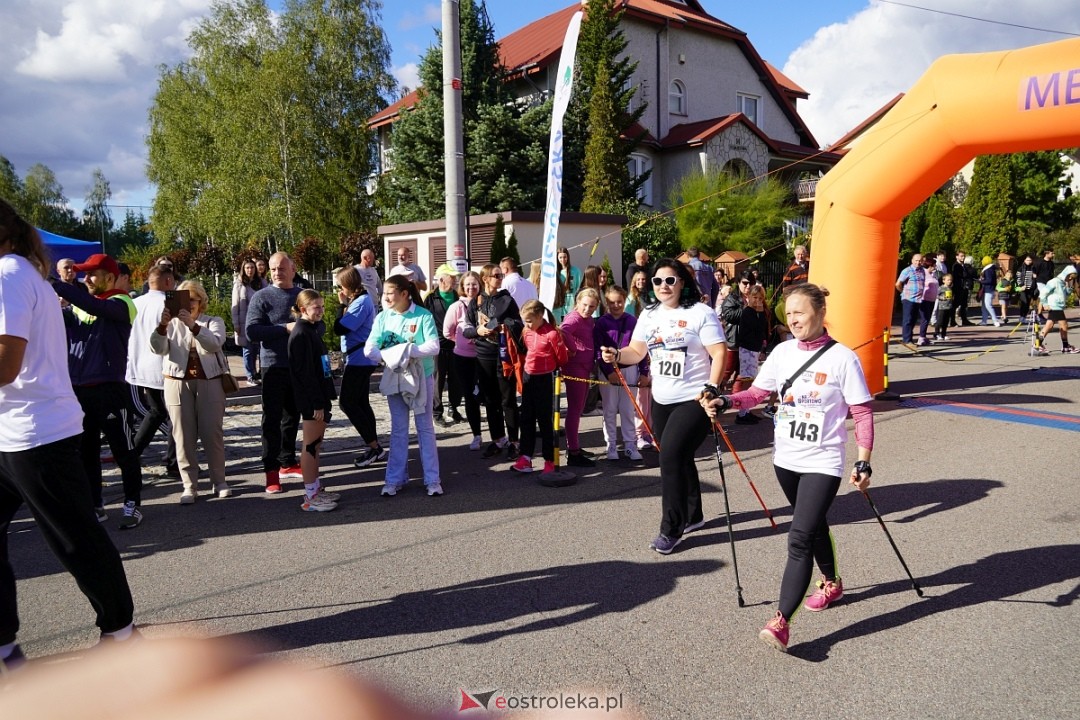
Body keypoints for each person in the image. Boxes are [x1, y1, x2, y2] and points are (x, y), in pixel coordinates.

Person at [0, 199, 137, 670]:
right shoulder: (21, 275)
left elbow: (6, 362)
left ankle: (121, 632)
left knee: (75, 539)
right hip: (12, 430)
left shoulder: (9, 276)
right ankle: (2, 644)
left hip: (35, 433)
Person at [701, 283, 874, 653]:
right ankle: (832, 581)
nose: (793, 319)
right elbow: (758, 395)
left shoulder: (843, 358)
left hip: (824, 460)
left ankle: (781, 621)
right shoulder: (781, 352)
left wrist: (864, 460)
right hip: (786, 460)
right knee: (812, 526)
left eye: (800, 311)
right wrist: (726, 398)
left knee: (798, 537)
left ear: (820, 313)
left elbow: (861, 411)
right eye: (789, 313)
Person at [600, 259, 727, 554]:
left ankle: (671, 529)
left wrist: (712, 387)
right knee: (680, 457)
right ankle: (693, 515)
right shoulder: (649, 314)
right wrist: (616, 354)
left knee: (669, 458)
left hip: (693, 399)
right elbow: (636, 351)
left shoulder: (700, 313)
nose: (663, 286)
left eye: (670, 280)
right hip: (662, 398)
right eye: (657, 282)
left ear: (682, 282)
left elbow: (719, 353)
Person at [51, 253, 144, 528]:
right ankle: (95, 504)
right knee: (86, 452)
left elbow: (93, 306)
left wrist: (54, 283)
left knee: (124, 450)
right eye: (84, 274)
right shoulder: (82, 304)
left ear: (111, 277)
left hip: (111, 390)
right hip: (80, 392)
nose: (86, 279)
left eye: (92, 274)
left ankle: (133, 504)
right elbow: (60, 317)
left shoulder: (122, 302)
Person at [151, 280, 230, 503]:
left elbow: (213, 344)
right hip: (176, 382)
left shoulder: (213, 321)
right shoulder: (170, 325)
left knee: (211, 433)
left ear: (201, 302)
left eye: (192, 300)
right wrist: (162, 326)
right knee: (182, 436)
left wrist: (192, 325)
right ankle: (189, 486)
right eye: (183, 301)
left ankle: (219, 481)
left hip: (209, 382)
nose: (188, 305)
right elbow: (157, 348)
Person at [364, 275, 442, 496]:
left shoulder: (423, 315)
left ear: (404, 294)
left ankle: (432, 479)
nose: (385, 297)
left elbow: (434, 347)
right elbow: (369, 349)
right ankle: (394, 479)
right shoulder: (383, 317)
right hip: (395, 378)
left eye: (390, 293)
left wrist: (406, 351)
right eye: (384, 293)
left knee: (425, 428)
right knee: (399, 430)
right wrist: (393, 356)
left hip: (421, 378)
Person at [246, 252, 305, 494]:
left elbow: (320, 323)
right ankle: (271, 472)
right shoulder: (261, 297)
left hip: (299, 365)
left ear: (292, 269)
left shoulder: (301, 294)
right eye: (272, 269)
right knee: (271, 420)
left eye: (281, 268)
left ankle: (287, 462)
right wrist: (284, 329)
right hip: (273, 366)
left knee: (292, 417)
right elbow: (252, 331)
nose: (276, 273)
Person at [463, 264, 522, 461]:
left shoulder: (506, 299)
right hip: (483, 356)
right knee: (490, 401)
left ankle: (514, 441)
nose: (500, 278)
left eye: (501, 274)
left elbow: (519, 324)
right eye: (496, 275)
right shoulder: (476, 301)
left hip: (503, 355)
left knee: (508, 400)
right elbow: (466, 329)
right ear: (485, 278)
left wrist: (498, 325)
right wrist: (478, 331)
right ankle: (498, 439)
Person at [288, 289, 339, 511]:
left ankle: (316, 488)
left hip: (320, 396)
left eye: (322, 306)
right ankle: (310, 495)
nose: (320, 310)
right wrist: (317, 402)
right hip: (311, 400)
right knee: (310, 445)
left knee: (316, 446)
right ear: (303, 309)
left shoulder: (311, 330)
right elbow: (304, 374)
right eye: (316, 307)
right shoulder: (300, 333)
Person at [127, 264, 178, 477]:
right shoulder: (171, 301)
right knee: (176, 415)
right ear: (168, 281)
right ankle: (174, 462)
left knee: (157, 413)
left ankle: (133, 453)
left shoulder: (134, 302)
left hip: (140, 366)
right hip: (165, 365)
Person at [334, 267, 386, 469]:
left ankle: (374, 447)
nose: (340, 289)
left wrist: (341, 306)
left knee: (347, 403)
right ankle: (373, 445)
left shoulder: (361, 302)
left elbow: (340, 327)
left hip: (360, 360)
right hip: (359, 358)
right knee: (361, 402)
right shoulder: (361, 300)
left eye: (341, 285)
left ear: (347, 285)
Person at [511, 300, 568, 475]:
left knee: (545, 420)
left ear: (539, 316)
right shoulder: (525, 330)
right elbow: (527, 350)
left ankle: (549, 460)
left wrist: (555, 369)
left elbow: (562, 357)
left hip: (546, 378)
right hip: (529, 377)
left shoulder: (552, 333)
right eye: (524, 321)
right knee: (526, 418)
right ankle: (525, 458)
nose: (527, 324)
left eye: (529, 320)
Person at [594, 286, 646, 461]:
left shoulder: (633, 321)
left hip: (629, 368)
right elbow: (598, 351)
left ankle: (630, 444)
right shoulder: (601, 323)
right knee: (609, 409)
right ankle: (611, 445)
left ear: (625, 301)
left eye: (619, 302)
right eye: (611, 302)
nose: (616, 305)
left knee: (628, 409)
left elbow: (641, 349)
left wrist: (643, 372)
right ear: (606, 303)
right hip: (608, 372)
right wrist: (609, 372)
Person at [444, 271, 485, 451]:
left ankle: (500, 435)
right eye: (467, 284)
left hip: (484, 357)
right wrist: (462, 341)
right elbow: (447, 332)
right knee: (469, 397)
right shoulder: (456, 307)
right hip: (463, 358)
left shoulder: (485, 303)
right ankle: (477, 434)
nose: (471, 288)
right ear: (462, 286)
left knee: (487, 395)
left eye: (474, 284)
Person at [561, 288, 600, 467]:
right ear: (578, 303)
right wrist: (574, 349)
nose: (587, 309)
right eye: (585, 305)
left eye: (591, 307)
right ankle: (573, 452)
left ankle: (574, 445)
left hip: (585, 367)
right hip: (575, 368)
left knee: (579, 408)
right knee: (575, 409)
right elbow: (563, 331)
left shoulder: (588, 319)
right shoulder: (575, 317)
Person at [423, 264, 463, 427]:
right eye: (451, 278)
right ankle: (437, 412)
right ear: (441, 280)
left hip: (456, 344)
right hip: (438, 344)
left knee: (456, 378)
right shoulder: (431, 298)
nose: (454, 281)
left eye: (454, 278)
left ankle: (454, 408)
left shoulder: (458, 296)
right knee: (437, 380)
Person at [730, 283, 769, 424]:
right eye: (754, 297)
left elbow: (763, 329)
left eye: (760, 298)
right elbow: (752, 330)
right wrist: (758, 313)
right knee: (747, 379)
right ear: (748, 297)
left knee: (751, 379)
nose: (757, 300)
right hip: (747, 349)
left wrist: (762, 347)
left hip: (755, 348)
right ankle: (742, 413)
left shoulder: (760, 312)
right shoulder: (747, 312)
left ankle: (746, 409)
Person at [232, 258, 266, 385]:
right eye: (247, 268)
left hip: (260, 320)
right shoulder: (239, 284)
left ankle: (259, 373)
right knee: (248, 349)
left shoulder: (261, 282)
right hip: (244, 321)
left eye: (252, 267)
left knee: (259, 348)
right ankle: (250, 375)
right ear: (243, 269)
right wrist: (236, 323)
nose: (250, 270)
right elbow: (235, 304)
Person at [1032, 264, 1079, 355]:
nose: (1070, 278)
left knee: (1050, 325)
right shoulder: (1054, 281)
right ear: (1065, 274)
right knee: (1063, 325)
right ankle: (1065, 346)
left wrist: (1069, 287)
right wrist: (1045, 304)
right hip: (1054, 306)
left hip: (1058, 306)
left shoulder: (1062, 283)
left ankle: (1038, 344)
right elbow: (1043, 293)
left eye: (1072, 278)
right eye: (1069, 276)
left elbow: (1066, 294)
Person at [895, 253, 926, 344]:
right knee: (908, 319)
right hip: (908, 299)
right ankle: (907, 340)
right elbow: (898, 284)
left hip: (918, 299)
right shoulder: (907, 270)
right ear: (912, 261)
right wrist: (903, 292)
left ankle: (910, 338)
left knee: (913, 320)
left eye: (920, 260)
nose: (918, 262)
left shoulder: (922, 271)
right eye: (916, 260)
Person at [554, 247, 581, 323]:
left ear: (568, 257)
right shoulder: (555, 272)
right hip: (558, 306)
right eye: (560, 257)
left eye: (565, 257)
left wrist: (577, 303)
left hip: (572, 304)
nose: (563, 259)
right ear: (557, 258)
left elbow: (579, 288)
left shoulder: (576, 271)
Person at [950, 251, 975, 326]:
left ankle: (964, 320)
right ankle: (952, 321)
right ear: (957, 256)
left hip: (964, 287)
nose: (963, 257)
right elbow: (958, 276)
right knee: (955, 304)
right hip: (958, 287)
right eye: (961, 256)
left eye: (964, 256)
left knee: (964, 304)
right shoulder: (956, 265)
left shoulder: (963, 265)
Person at [978, 256, 1001, 326]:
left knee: (988, 305)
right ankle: (984, 321)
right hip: (988, 289)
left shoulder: (988, 270)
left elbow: (989, 280)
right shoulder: (991, 269)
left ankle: (995, 320)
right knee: (984, 306)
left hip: (988, 289)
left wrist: (981, 281)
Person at [1015, 254, 1038, 322]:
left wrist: (1035, 277)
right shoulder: (1021, 268)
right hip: (1023, 288)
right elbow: (1017, 277)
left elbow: (1036, 277)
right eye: (1027, 260)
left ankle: (1024, 317)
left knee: (1028, 303)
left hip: (1030, 288)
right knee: (1024, 302)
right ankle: (1021, 316)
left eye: (1030, 260)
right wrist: (1021, 285)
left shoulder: (1033, 268)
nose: (1029, 261)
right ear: (1024, 260)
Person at [1032, 249, 1055, 317]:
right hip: (1040, 281)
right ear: (1047, 254)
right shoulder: (1040, 262)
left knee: (1047, 296)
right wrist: (1034, 274)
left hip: (1048, 282)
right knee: (1044, 294)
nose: (1053, 255)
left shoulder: (1051, 263)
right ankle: (1042, 311)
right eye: (1052, 253)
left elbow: (1051, 273)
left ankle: (1039, 313)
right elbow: (1034, 269)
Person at [933, 274, 955, 342]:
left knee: (946, 322)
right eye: (948, 280)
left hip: (949, 307)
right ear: (943, 281)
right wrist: (941, 298)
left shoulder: (950, 287)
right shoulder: (941, 288)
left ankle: (944, 334)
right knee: (940, 321)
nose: (949, 281)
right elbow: (935, 295)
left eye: (950, 280)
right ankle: (936, 333)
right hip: (942, 307)